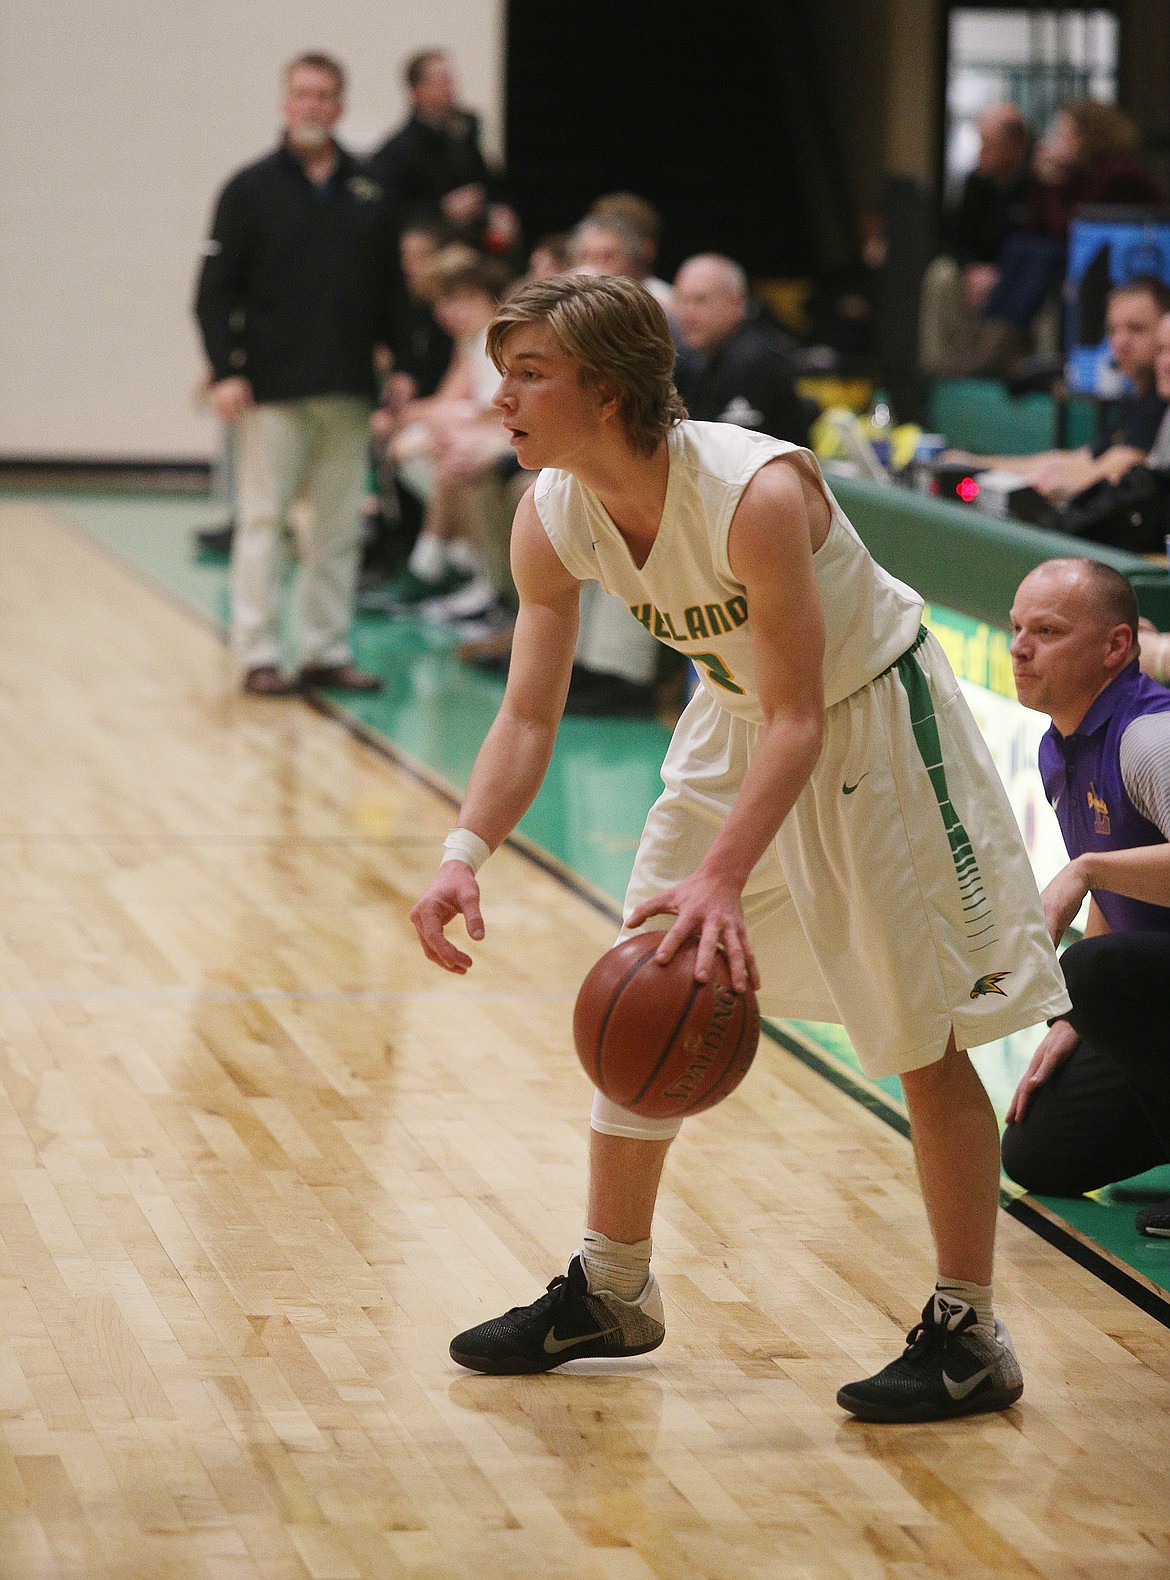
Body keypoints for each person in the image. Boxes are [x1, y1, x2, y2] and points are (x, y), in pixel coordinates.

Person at [409, 275, 1071, 1421]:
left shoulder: (753, 490)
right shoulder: (552, 511)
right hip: (735, 715)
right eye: (503, 369)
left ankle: (970, 1327)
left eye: (529, 374)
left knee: (922, 1029)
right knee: (649, 977)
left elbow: (806, 716)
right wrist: (466, 847)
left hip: (866, 713)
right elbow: (526, 713)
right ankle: (611, 1288)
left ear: (607, 390)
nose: (501, 396)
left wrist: (722, 870)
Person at [195, 52, 401, 695]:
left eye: (325, 96)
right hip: (271, 387)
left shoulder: (370, 188)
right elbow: (214, 291)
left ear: (339, 105)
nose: (312, 106)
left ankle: (325, 650)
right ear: (285, 103)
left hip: (346, 386)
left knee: (339, 527)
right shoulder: (248, 188)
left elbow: (392, 288)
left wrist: (402, 370)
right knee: (264, 520)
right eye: (301, 95)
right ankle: (257, 652)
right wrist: (224, 370)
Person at [1001, 559, 1170, 1237]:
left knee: (1085, 972)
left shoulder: (1150, 738)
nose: (1019, 646)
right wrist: (1080, 1022)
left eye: (1046, 630)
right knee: (1038, 1154)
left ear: (1116, 647)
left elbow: (1100, 875)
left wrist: (1087, 869)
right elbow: (1120, 902)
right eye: (1017, 628)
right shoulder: (1058, 749)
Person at [945, 101, 1163, 377]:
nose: (1056, 141)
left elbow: (1071, 229)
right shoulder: (1080, 171)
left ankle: (997, 345)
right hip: (1087, 258)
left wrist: (1053, 184)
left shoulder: (1114, 171)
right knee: (1021, 247)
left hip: (1123, 261)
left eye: (1062, 133)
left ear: (1085, 136)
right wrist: (1045, 183)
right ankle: (990, 339)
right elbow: (1038, 227)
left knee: (1038, 256)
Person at [944, 276, 1170, 502]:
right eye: (1112, 330)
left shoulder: (1160, 405)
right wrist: (975, 464)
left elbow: (1098, 476)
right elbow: (1077, 460)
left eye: (1136, 329)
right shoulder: (1136, 400)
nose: (1120, 342)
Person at [370, 50, 518, 259]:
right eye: (441, 81)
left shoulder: (465, 133)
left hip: (475, 247)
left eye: (450, 80)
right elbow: (393, 212)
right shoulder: (398, 150)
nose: (450, 88)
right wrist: (442, 209)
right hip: (433, 252)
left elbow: (488, 183)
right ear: (417, 90)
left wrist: (498, 210)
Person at [920, 104, 1031, 372]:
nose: (981, 151)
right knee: (941, 274)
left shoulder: (1037, 186)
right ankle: (937, 371)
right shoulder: (975, 183)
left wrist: (1001, 274)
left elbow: (1038, 245)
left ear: (1014, 145)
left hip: (1016, 276)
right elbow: (957, 238)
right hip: (975, 274)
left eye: (988, 143)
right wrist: (970, 270)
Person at [673, 254, 814, 443]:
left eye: (700, 300)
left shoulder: (754, 363)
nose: (687, 314)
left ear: (736, 304)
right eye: (681, 300)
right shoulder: (696, 360)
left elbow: (737, 454)